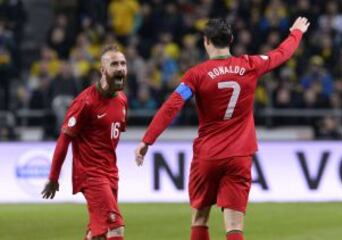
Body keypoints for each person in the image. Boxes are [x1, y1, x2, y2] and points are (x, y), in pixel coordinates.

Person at [135, 17, 310, 240]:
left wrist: (147, 140)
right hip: (239, 155)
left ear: (206, 41)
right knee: (235, 226)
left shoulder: (196, 75)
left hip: (208, 156)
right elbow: (281, 54)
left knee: (200, 219)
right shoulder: (250, 65)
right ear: (231, 40)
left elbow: (172, 106)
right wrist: (296, 32)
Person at [41, 44, 128, 240]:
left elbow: (110, 139)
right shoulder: (85, 102)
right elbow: (64, 140)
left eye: (123, 63)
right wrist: (53, 176)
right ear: (103, 70)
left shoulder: (122, 100)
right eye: (114, 64)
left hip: (111, 173)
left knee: (97, 234)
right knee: (115, 227)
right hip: (91, 174)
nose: (121, 68)